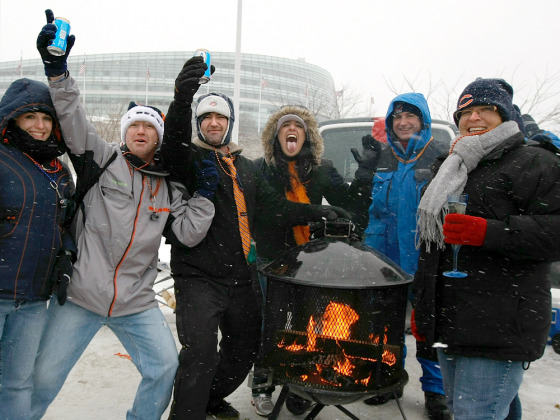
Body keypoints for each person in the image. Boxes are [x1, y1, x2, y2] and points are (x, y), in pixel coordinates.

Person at [30, 11, 217, 420]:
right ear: (125, 131)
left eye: (149, 128)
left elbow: (188, 232)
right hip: (80, 296)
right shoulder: (102, 158)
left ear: (158, 138)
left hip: (135, 302)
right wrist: (57, 72)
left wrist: (205, 193)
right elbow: (73, 116)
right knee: (42, 379)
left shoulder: (167, 185)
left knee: (164, 367)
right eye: (135, 125)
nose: (141, 131)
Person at [160, 57, 350, 420]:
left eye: (220, 118)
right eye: (207, 118)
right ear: (200, 124)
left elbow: (275, 208)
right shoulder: (190, 159)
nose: (214, 123)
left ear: (229, 124)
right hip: (199, 277)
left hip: (242, 276)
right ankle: (188, 413)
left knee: (245, 350)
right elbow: (171, 146)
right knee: (200, 354)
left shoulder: (244, 167)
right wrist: (183, 99)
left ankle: (211, 398)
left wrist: (318, 212)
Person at [413, 78, 560, 420]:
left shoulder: (535, 162)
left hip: (500, 323)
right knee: (481, 408)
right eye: (466, 111)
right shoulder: (451, 166)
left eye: (485, 109)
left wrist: (491, 233)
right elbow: (431, 251)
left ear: (505, 115)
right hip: (452, 321)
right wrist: (424, 308)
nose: (474, 117)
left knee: (472, 412)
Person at [249, 105, 370, 416]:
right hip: (270, 259)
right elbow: (269, 212)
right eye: (285, 125)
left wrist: (365, 175)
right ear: (275, 136)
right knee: (270, 324)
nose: (292, 129)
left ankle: (298, 384)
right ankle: (263, 382)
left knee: (306, 324)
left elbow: (352, 205)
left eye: (298, 126)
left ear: (307, 135)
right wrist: (316, 213)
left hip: (307, 262)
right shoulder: (261, 168)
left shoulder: (321, 169)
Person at [351, 93, 451, 420]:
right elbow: (371, 211)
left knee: (427, 326)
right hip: (385, 256)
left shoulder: (439, 156)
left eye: (410, 116)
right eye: (397, 117)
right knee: (386, 323)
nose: (403, 122)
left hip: (424, 255)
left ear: (422, 120)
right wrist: (369, 248)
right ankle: (389, 380)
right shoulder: (383, 155)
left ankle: (435, 392)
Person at [0, 77, 75, 419]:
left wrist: (66, 256)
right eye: (30, 117)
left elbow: (67, 224)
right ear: (13, 119)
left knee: (17, 384)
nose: (40, 126)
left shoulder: (58, 171)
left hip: (33, 297)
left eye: (46, 118)